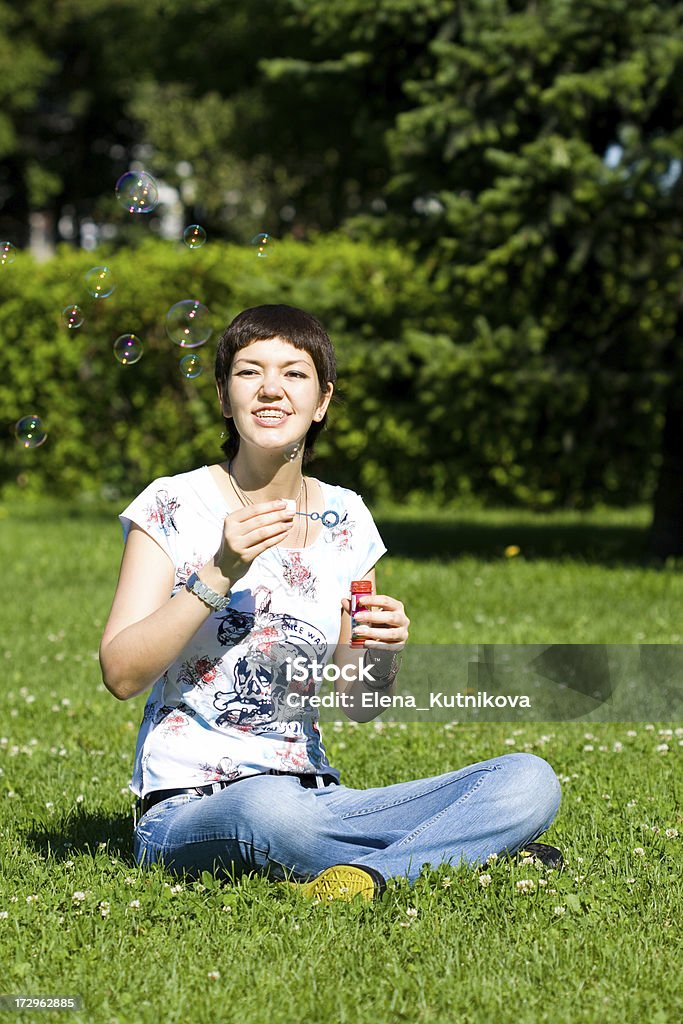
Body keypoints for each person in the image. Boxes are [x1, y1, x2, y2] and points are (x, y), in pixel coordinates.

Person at [99, 303, 562, 901]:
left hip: (314, 793)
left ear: (321, 402)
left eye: (295, 373)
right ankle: (460, 850)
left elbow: (359, 704)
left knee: (529, 779)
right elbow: (121, 672)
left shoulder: (348, 518)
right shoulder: (171, 504)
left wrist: (382, 649)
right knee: (270, 812)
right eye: (249, 372)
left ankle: (372, 874)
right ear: (222, 395)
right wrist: (219, 572)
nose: (271, 389)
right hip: (192, 808)